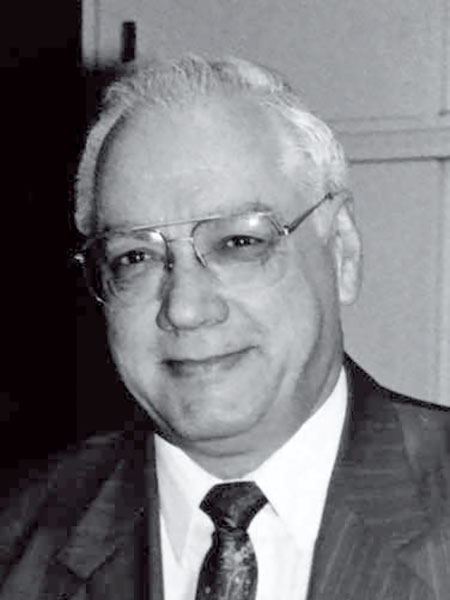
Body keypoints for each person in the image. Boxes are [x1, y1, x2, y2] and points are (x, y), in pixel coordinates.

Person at [0, 55, 449, 600]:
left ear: (341, 252)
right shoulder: (18, 543)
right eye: (135, 257)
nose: (185, 308)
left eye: (239, 243)